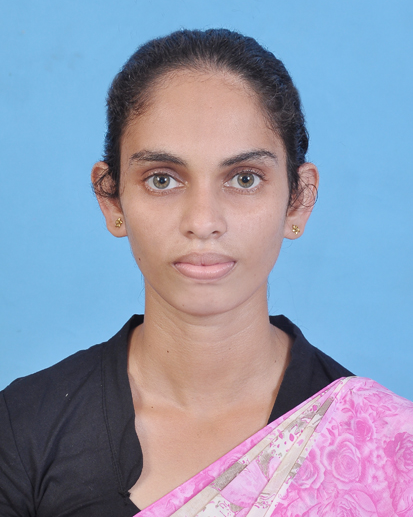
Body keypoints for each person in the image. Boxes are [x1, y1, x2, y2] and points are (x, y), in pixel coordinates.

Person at [1, 29, 412, 517]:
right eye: (162, 179)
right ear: (111, 199)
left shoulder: (388, 447)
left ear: (298, 200)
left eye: (244, 179)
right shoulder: (22, 429)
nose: (202, 221)